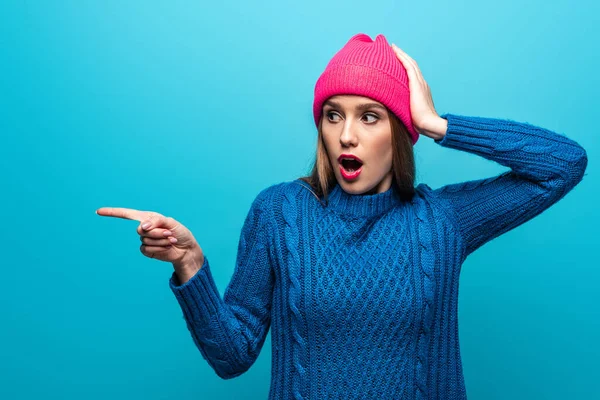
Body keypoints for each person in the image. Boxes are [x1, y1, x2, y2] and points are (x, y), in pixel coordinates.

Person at [96, 33, 588, 399]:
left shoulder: (443, 220)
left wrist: (438, 125)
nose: (346, 135)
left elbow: (563, 164)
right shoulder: (280, 212)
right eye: (333, 114)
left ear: (397, 131)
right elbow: (232, 356)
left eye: (369, 116)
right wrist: (191, 264)